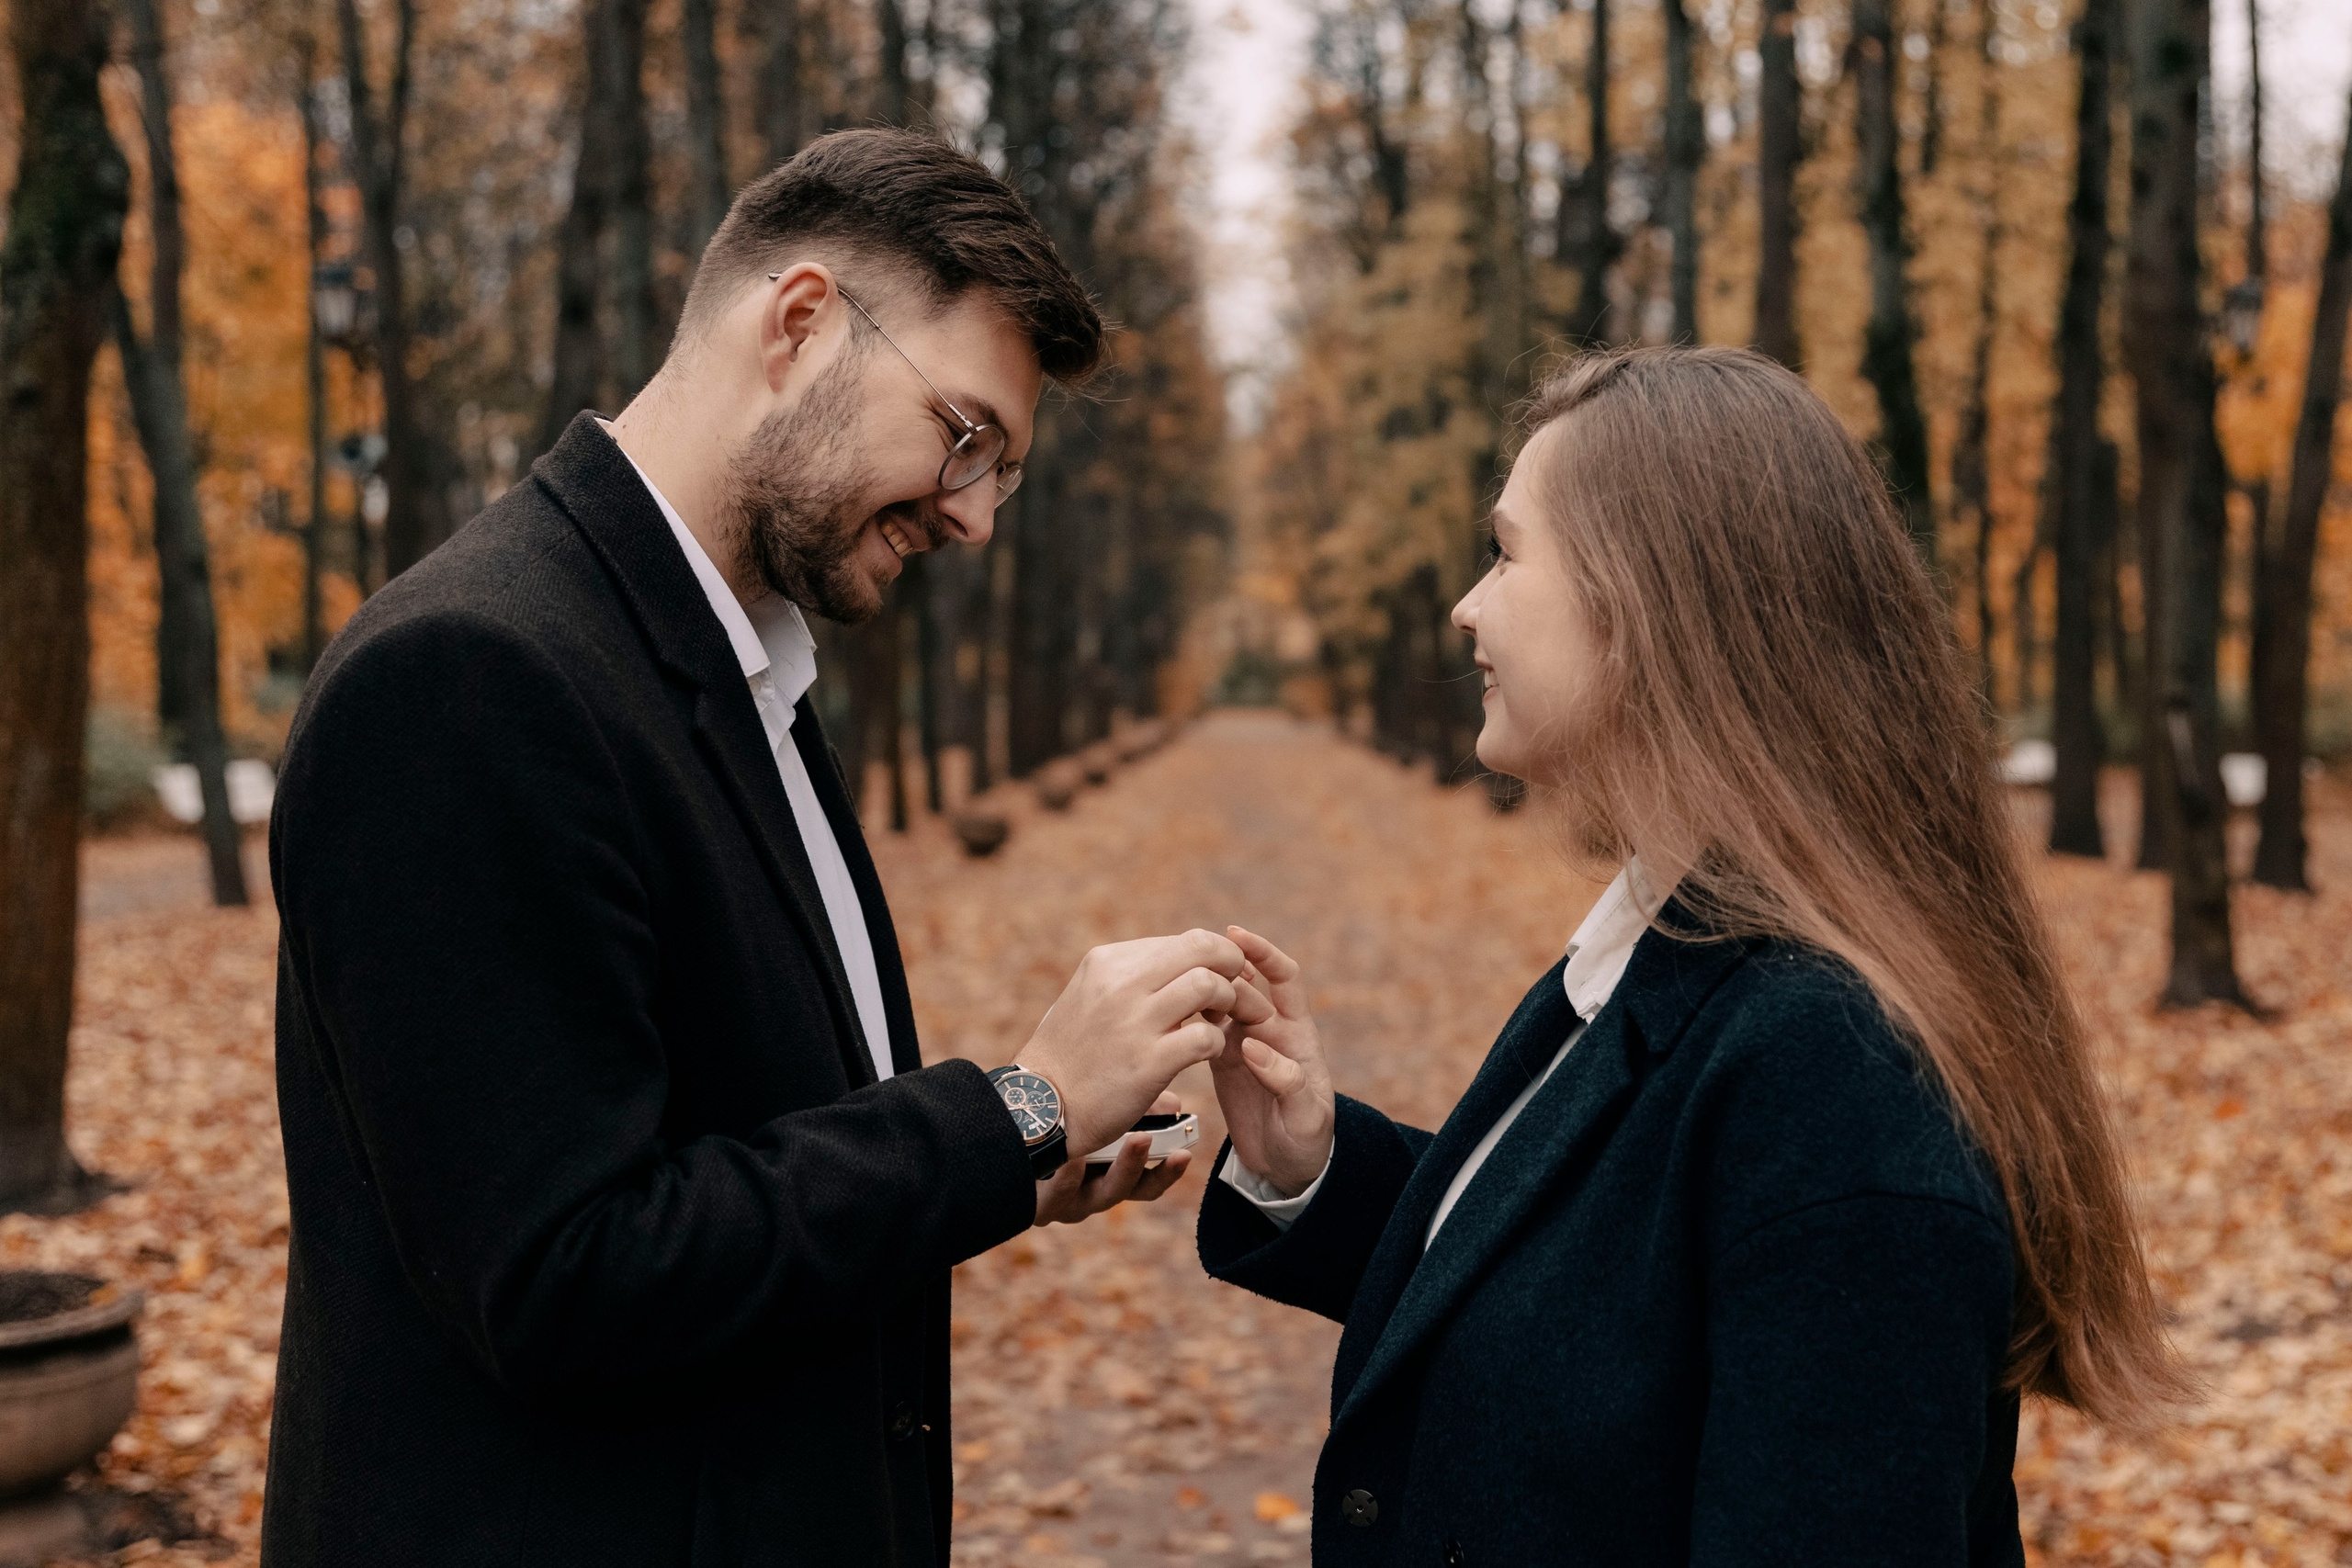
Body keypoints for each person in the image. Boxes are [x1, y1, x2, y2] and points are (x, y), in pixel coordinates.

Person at [264, 130, 1257, 1567]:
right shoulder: (474, 676)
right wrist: (1017, 1108)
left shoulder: (740, 675)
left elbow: (725, 1148)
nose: (973, 515)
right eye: (964, 434)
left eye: (1003, 473)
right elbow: (562, 1279)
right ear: (800, 325)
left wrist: (1011, 1172)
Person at [1198, 347, 2189, 1566]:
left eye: (1507, 553)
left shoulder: (1833, 1077)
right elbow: (1583, 1311)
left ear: (1649, 605)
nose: (1466, 605)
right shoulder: (1676, 950)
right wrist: (1311, 1164)